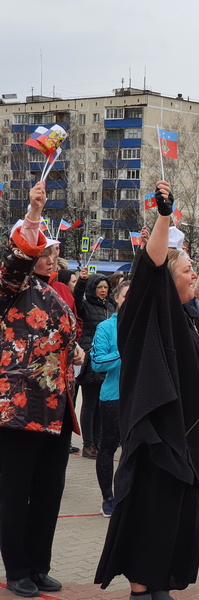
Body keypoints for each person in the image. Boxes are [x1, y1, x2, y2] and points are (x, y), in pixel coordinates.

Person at [95, 181, 199, 600]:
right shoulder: (150, 305)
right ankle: (141, 586)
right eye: (186, 269)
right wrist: (164, 217)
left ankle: (162, 580)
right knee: (148, 511)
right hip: (156, 435)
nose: (193, 275)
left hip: (186, 440)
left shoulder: (189, 316)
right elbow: (150, 268)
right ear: (168, 279)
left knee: (175, 515)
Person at [0, 182, 84, 598]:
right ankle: (17, 569)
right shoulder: (8, 288)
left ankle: (38, 565)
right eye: (44, 249)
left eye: (52, 250)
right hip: (18, 410)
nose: (51, 255)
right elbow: (15, 262)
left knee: (49, 493)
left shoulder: (57, 293)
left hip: (57, 409)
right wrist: (33, 214)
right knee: (15, 493)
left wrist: (78, 352)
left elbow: (65, 339)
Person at [92, 281, 131, 517]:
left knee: (134, 449)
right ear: (116, 298)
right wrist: (123, 351)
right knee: (108, 447)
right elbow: (97, 363)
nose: (130, 300)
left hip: (139, 396)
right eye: (126, 296)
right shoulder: (106, 327)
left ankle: (129, 494)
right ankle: (108, 497)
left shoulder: (145, 325)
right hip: (113, 397)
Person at [74, 268, 115, 458]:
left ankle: (98, 442)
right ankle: (88, 444)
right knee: (89, 403)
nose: (103, 290)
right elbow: (76, 299)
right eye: (99, 287)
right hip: (90, 358)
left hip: (106, 359)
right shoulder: (86, 305)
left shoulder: (110, 307)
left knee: (101, 403)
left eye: (106, 287)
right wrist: (82, 281)